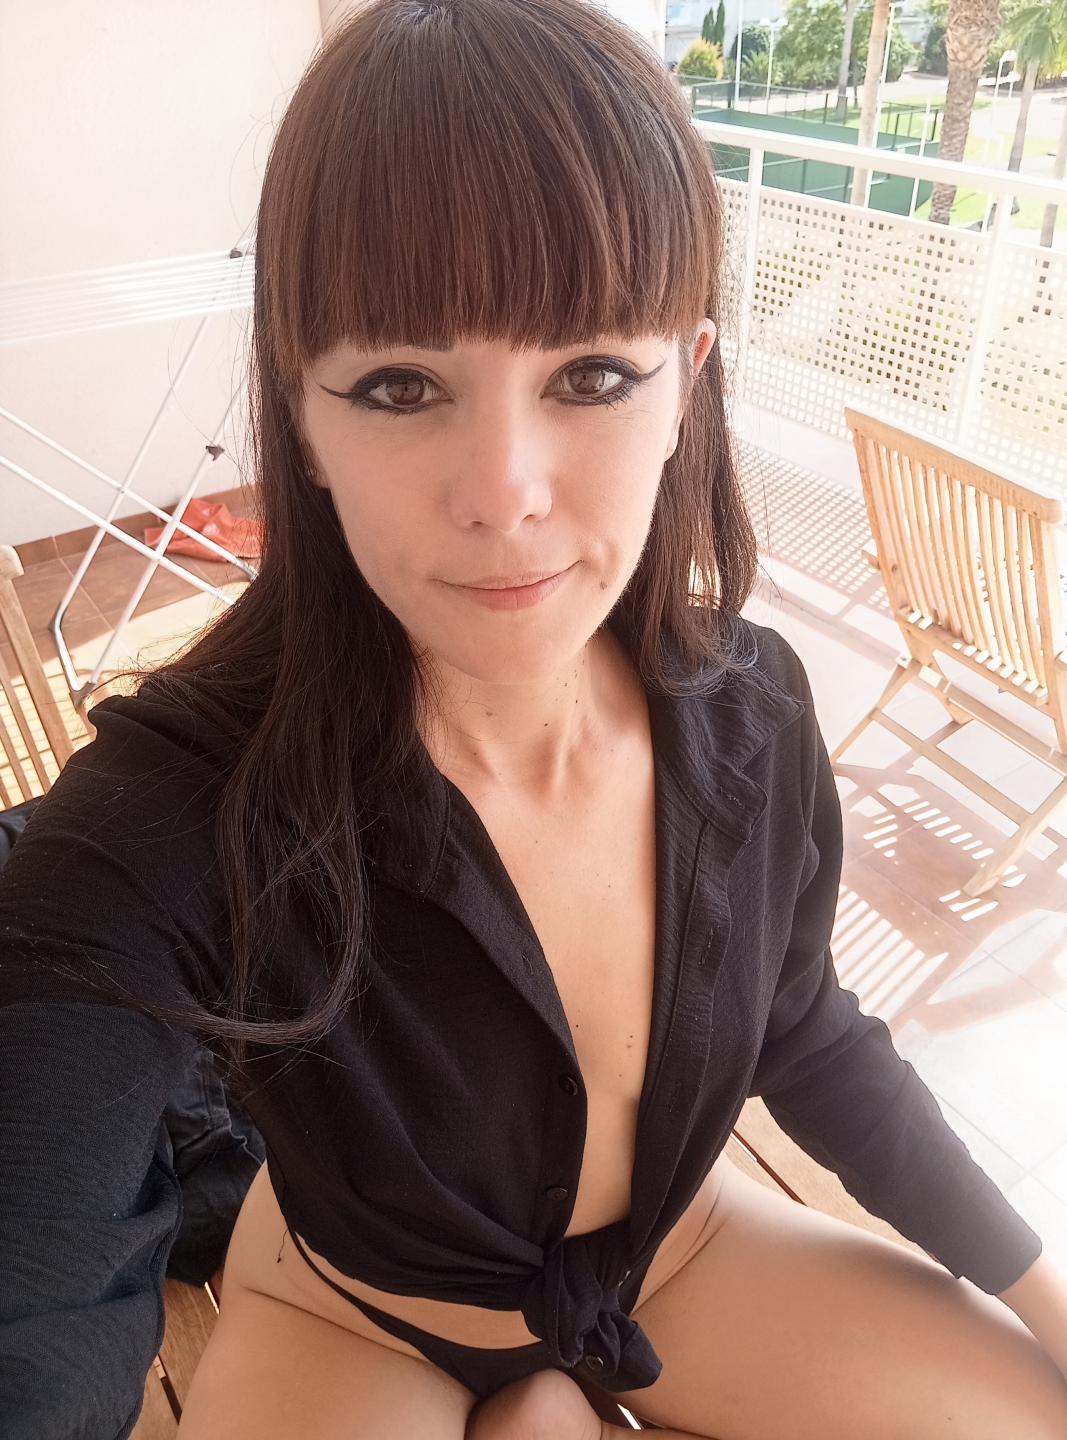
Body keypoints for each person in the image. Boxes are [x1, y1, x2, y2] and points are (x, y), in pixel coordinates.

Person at [2, 2, 1067, 1438]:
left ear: (687, 382)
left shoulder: (754, 713)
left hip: (680, 1260)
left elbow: (806, 1028)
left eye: (592, 376)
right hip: (350, 1317)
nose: (504, 491)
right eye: (400, 386)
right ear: (301, 416)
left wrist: (1048, 1293)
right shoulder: (181, 811)